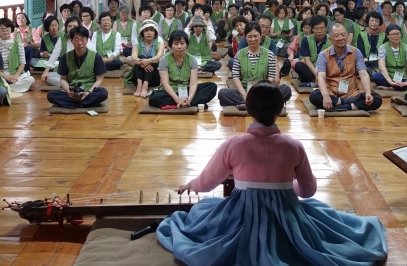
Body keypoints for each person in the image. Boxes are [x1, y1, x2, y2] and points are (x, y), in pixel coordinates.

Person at [158, 80, 388, 265]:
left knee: (201, 211)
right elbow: (308, 190)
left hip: (242, 212)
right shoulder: (293, 145)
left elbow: (208, 183)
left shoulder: (233, 144)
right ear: (281, 109)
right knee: (322, 214)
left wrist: (192, 185)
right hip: (287, 212)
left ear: (247, 109)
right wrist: (289, 189)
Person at [309, 23, 382, 112]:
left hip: (352, 93)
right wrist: (325, 96)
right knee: (314, 96)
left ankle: (338, 106)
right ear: (330, 39)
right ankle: (351, 105)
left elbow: (363, 74)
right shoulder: (323, 55)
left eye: (343, 35)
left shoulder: (356, 52)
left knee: (377, 99)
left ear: (347, 36)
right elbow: (321, 77)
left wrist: (368, 93)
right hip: (331, 92)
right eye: (336, 36)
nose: (341, 38)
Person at [218, 22, 292, 109]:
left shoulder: (269, 54)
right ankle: (261, 105)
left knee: (286, 90)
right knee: (222, 93)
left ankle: (249, 105)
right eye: (250, 36)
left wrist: (260, 92)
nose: (253, 39)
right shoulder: (239, 54)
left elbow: (271, 78)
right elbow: (236, 77)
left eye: (255, 36)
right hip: (244, 91)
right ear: (245, 37)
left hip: (264, 92)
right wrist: (245, 95)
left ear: (261, 36)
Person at [148, 30, 218, 110]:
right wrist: (177, 99)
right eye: (176, 44)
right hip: (170, 92)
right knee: (155, 97)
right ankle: (188, 102)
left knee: (212, 87)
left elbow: (193, 84)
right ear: (170, 46)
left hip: (187, 91)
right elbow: (165, 84)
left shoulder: (192, 60)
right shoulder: (164, 60)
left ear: (187, 45)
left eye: (182, 43)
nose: (179, 47)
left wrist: (189, 99)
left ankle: (186, 103)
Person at [46, 26, 108, 109]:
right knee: (51, 95)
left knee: (103, 93)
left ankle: (75, 104)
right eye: (76, 39)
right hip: (72, 92)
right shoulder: (65, 57)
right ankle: (85, 103)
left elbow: (99, 79)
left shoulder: (96, 56)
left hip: (89, 90)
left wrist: (88, 92)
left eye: (82, 39)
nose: (80, 43)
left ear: (87, 40)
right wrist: (67, 90)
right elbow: (63, 79)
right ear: (71, 41)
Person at [0, 18, 35, 93]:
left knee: (31, 79)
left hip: (16, 73)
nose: (5, 31)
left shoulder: (18, 44)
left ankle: (7, 88)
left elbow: (22, 63)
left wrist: (16, 75)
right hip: (2, 74)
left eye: (7, 28)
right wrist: (6, 76)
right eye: (2, 29)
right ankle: (10, 87)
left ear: (11, 29)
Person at [129, 20, 165, 98]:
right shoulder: (137, 45)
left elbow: (159, 57)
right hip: (138, 76)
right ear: (142, 33)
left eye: (151, 30)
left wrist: (148, 61)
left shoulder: (160, 44)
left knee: (151, 59)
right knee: (141, 57)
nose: (149, 33)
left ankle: (145, 86)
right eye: (146, 30)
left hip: (154, 78)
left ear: (155, 33)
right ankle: (139, 86)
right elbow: (133, 58)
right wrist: (143, 63)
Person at [375, 24, 407, 91]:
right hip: (389, 74)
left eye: (398, 34)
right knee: (376, 76)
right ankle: (396, 87)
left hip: (403, 75)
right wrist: (390, 82)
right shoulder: (383, 48)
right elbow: (381, 67)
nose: (396, 36)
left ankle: (391, 88)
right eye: (393, 34)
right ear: (387, 36)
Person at [295, 16, 331, 86]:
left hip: (326, 69)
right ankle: (316, 81)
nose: (319, 31)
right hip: (312, 69)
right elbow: (307, 60)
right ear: (312, 29)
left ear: (326, 28)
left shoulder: (331, 40)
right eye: (316, 28)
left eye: (322, 28)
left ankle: (312, 83)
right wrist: (316, 74)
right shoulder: (306, 40)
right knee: (298, 65)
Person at [356, 11, 385, 77]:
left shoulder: (384, 35)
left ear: (380, 22)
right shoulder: (361, 35)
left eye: (377, 21)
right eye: (372, 20)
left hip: (380, 62)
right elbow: (360, 50)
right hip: (366, 62)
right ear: (368, 21)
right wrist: (365, 58)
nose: (374, 23)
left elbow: (385, 51)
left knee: (378, 75)